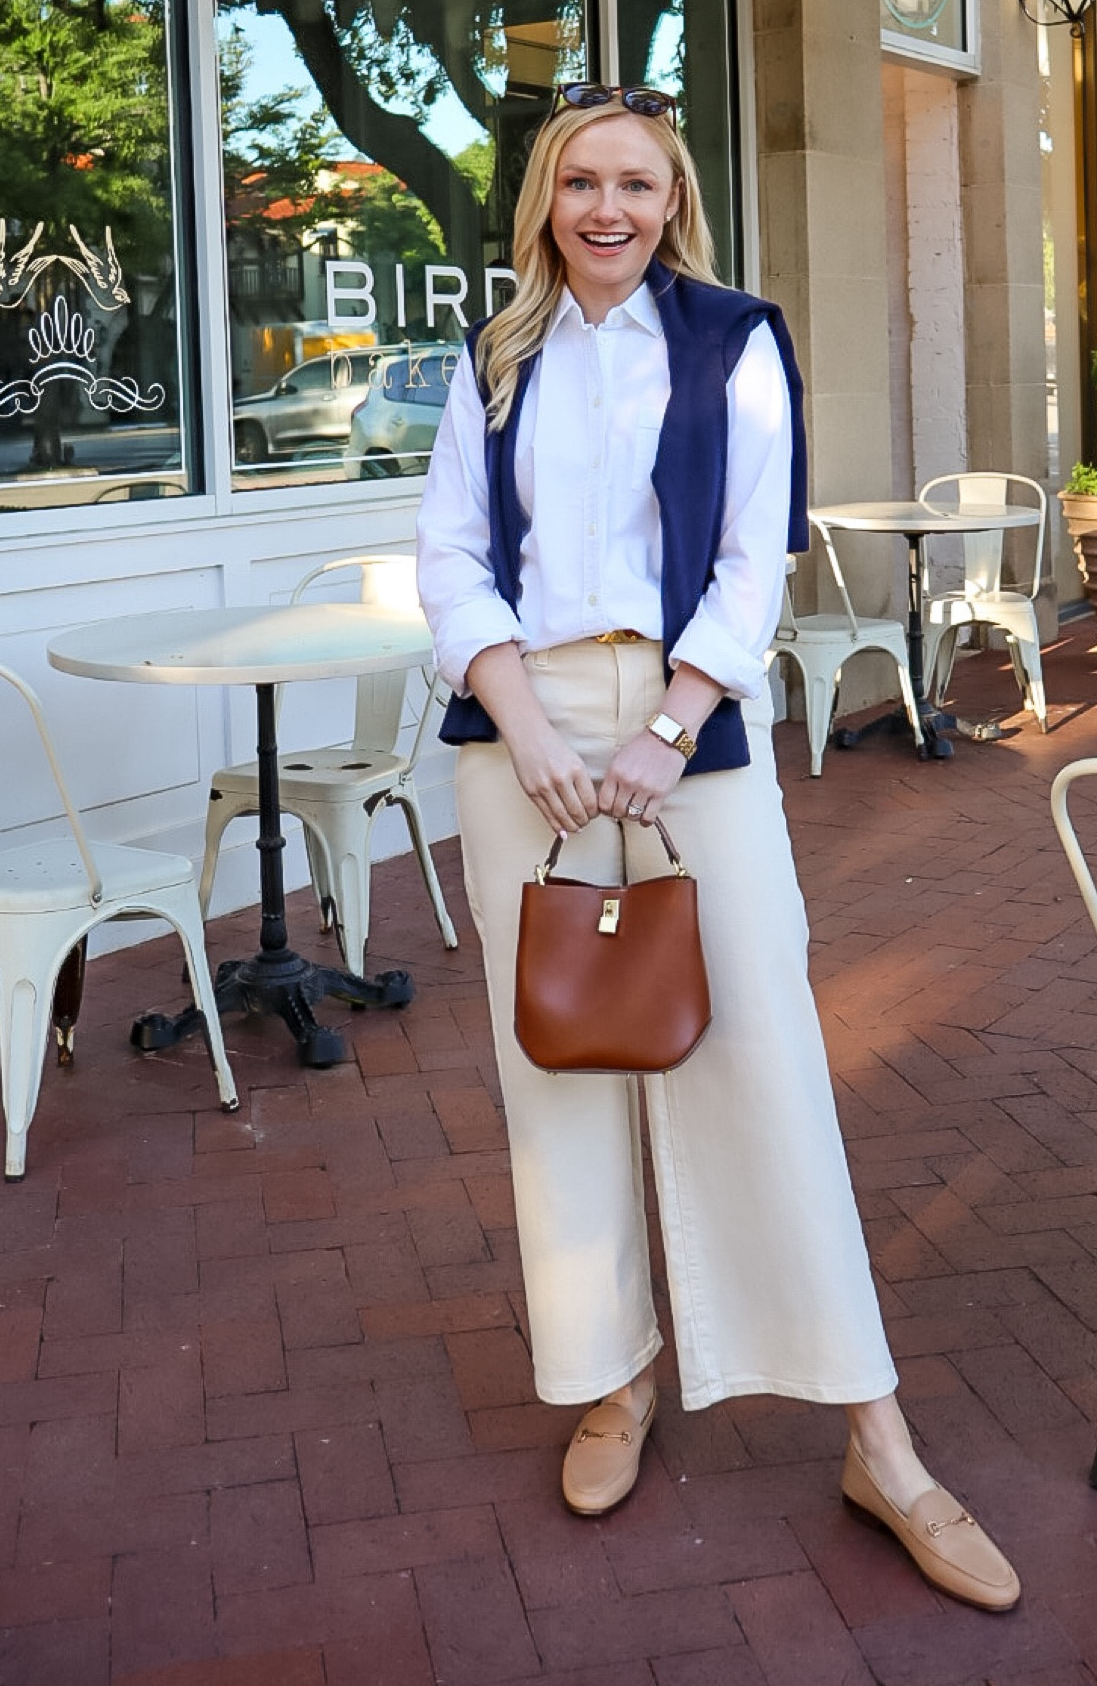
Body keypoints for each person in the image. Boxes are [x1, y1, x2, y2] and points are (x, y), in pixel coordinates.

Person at [414, 83, 1019, 1612]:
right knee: (557, 1070)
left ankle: (875, 1439)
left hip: (684, 727)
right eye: (579, 183)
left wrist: (668, 728)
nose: (605, 208)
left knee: (763, 1061)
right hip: (526, 736)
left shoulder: (732, 339)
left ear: (672, 199)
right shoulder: (494, 358)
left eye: (634, 183)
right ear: (545, 202)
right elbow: (452, 556)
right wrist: (526, 727)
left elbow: (759, 554)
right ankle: (610, 1375)